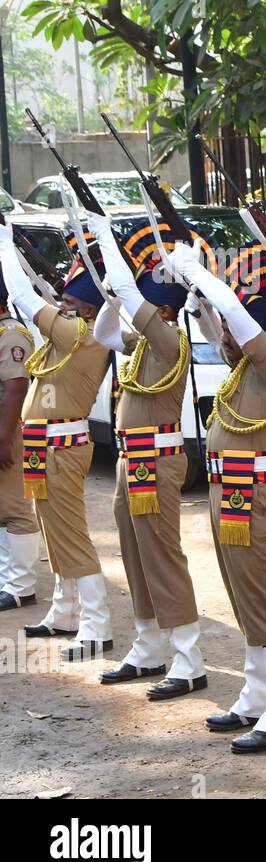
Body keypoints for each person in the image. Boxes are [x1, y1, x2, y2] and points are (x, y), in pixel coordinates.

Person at [173, 243, 266, 753]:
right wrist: (199, 291)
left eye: (234, 330)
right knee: (243, 598)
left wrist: (205, 275)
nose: (225, 337)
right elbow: (219, 330)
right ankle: (255, 694)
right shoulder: (243, 369)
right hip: (230, 492)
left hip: (257, 496)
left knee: (264, 602)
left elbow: (240, 328)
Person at [88, 215, 207, 698]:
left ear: (162, 310)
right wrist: (116, 297)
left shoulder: (169, 340)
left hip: (156, 462)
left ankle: (188, 656)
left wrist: (103, 239)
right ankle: (147, 645)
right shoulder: (144, 343)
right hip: (129, 460)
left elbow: (127, 298)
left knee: (161, 556)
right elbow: (102, 333)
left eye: (145, 303)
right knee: (135, 555)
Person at [0, 228, 112, 657]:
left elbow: (24, 298)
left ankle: (96, 625)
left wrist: (6, 248)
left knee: (72, 535)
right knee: (54, 533)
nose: (60, 309)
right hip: (42, 445)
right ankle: (65, 613)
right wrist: (23, 256)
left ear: (88, 311)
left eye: (69, 305)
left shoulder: (83, 337)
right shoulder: (68, 335)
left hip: (62, 447)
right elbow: (38, 294)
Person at [0, 274, 39, 613]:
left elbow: (16, 388)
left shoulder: (11, 333)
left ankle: (20, 587)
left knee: (14, 509)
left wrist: (3, 438)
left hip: (6, 429)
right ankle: (6, 580)